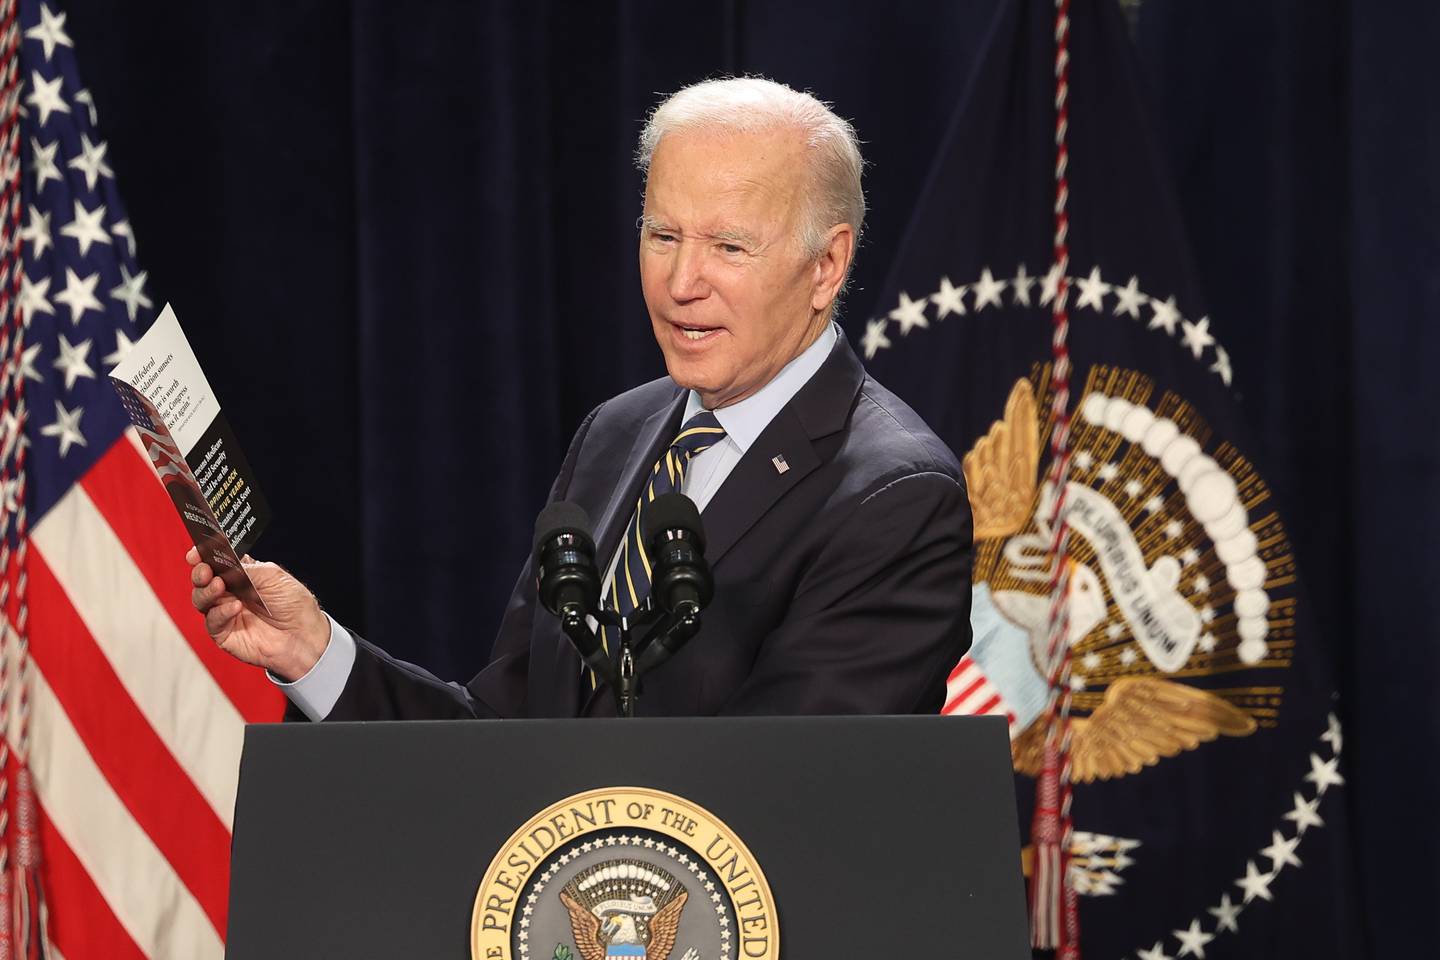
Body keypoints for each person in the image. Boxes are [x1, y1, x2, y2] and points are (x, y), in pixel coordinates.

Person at [189, 77, 973, 720]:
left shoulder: (894, 497)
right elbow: (510, 739)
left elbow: (783, 798)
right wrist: (315, 653)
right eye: (662, 235)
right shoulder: (620, 431)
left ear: (827, 265)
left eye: (728, 246)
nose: (680, 283)